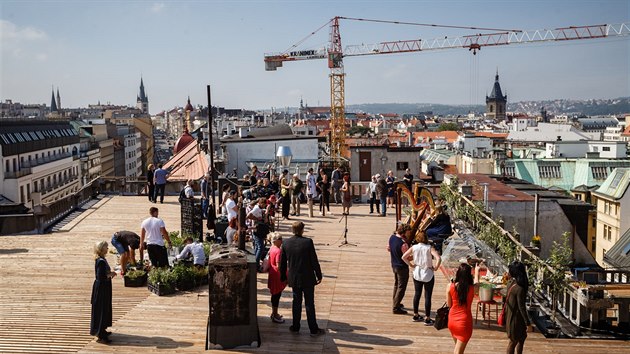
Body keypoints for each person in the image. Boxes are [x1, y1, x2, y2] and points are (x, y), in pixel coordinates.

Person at [280, 221, 325, 337]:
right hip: (308, 277)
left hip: (294, 278)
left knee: (296, 303)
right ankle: (313, 330)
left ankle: (295, 327)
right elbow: (314, 261)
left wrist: (283, 277)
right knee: (309, 303)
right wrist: (319, 275)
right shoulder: (308, 242)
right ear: (302, 230)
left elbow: (282, 264)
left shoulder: (286, 243)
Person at [402, 231, 441, 325]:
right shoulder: (429, 248)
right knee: (427, 296)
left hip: (417, 272)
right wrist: (435, 268)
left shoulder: (414, 247)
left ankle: (415, 314)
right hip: (428, 273)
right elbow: (439, 258)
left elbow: (403, 257)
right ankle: (427, 318)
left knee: (417, 294)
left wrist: (411, 265)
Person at [447, 263, 481, 354]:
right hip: (464, 323)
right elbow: (477, 283)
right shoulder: (472, 288)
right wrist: (477, 272)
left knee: (458, 350)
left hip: (452, 321)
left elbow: (449, 305)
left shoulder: (450, 286)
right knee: (458, 352)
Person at [90, 241, 116, 344]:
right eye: (106, 247)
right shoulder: (101, 261)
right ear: (101, 249)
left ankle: (102, 329)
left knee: (104, 308)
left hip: (103, 287)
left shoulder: (101, 259)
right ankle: (100, 334)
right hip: (102, 288)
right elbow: (101, 276)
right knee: (101, 309)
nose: (107, 248)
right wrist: (111, 274)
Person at [505, 261, 532, 354]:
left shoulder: (511, 283)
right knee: (513, 342)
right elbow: (521, 307)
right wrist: (528, 323)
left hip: (511, 317)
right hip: (516, 320)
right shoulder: (519, 288)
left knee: (520, 339)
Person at [388, 223, 412, 314]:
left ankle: (395, 302)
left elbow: (389, 248)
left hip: (394, 264)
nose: (409, 234)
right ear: (404, 232)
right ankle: (396, 307)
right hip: (402, 267)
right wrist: (416, 256)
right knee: (401, 287)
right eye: (408, 232)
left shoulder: (392, 237)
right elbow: (407, 257)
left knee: (396, 284)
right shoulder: (403, 244)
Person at [268, 233, 287, 324]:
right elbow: (279, 266)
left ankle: (274, 313)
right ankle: (275, 314)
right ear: (276, 240)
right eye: (280, 238)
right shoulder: (279, 251)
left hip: (272, 273)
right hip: (277, 275)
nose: (282, 240)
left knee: (274, 295)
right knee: (277, 295)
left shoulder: (271, 248)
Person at [248, 197, 269, 271]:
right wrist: (257, 219)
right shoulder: (256, 208)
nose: (264, 206)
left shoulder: (259, 208)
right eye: (263, 204)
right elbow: (248, 216)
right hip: (257, 231)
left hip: (259, 230)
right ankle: (256, 264)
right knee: (260, 247)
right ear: (260, 203)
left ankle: (255, 262)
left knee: (257, 247)